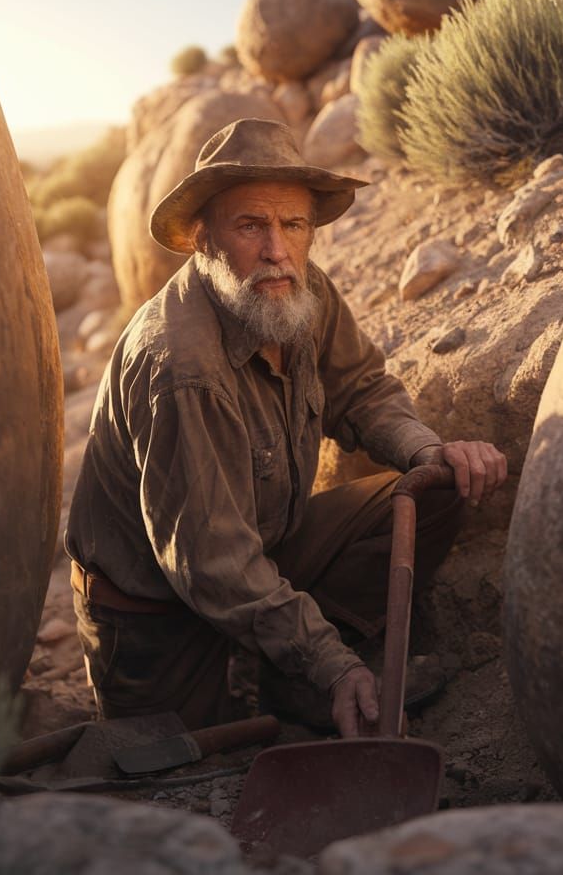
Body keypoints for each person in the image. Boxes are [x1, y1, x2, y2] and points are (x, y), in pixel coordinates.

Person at [65, 117, 507, 738]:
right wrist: (332, 664)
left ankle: (285, 672)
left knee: (431, 491)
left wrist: (428, 450)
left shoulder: (299, 292)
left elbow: (359, 388)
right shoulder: (183, 368)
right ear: (203, 239)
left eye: (293, 225)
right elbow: (211, 564)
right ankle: (302, 670)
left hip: (262, 552)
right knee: (191, 766)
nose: (277, 248)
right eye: (251, 225)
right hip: (158, 618)